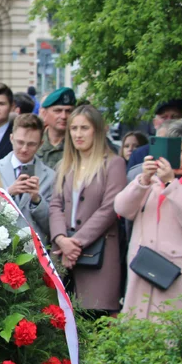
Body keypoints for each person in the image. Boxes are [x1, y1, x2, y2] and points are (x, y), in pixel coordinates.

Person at [114, 119, 182, 319]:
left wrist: (171, 183)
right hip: (141, 274)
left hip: (178, 279)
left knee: (173, 336)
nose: (174, 156)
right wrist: (143, 180)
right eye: (172, 149)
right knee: (137, 335)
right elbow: (121, 208)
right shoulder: (150, 180)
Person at [49, 105, 127, 314]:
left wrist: (75, 244)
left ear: (97, 131)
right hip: (64, 254)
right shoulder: (66, 165)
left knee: (95, 322)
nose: (78, 134)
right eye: (73, 128)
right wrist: (61, 239)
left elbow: (109, 209)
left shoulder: (113, 164)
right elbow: (55, 205)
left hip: (98, 256)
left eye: (84, 128)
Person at [0, 113, 55, 242]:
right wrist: (8, 193)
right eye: (20, 142)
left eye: (31, 144)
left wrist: (37, 201)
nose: (24, 149)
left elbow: (52, 226)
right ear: (11, 138)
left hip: (35, 253)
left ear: (40, 144)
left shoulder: (51, 177)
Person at [127, 98, 182, 171]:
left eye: (174, 117)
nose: (169, 121)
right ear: (155, 122)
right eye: (164, 117)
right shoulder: (139, 154)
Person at [37, 86, 77, 168]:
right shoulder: (34, 141)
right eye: (58, 111)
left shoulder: (78, 143)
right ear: (44, 114)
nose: (63, 116)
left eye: (68, 111)